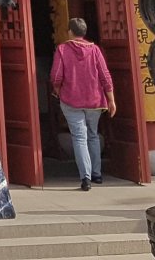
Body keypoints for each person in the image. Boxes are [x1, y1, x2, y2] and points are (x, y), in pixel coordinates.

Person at [50, 17, 115, 191]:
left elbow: (56, 75)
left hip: (71, 99)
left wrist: (57, 90)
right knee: (93, 134)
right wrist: (111, 99)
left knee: (79, 137)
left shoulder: (62, 49)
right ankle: (97, 173)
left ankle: (85, 177)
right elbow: (105, 75)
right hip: (94, 100)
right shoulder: (95, 50)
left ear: (70, 32)